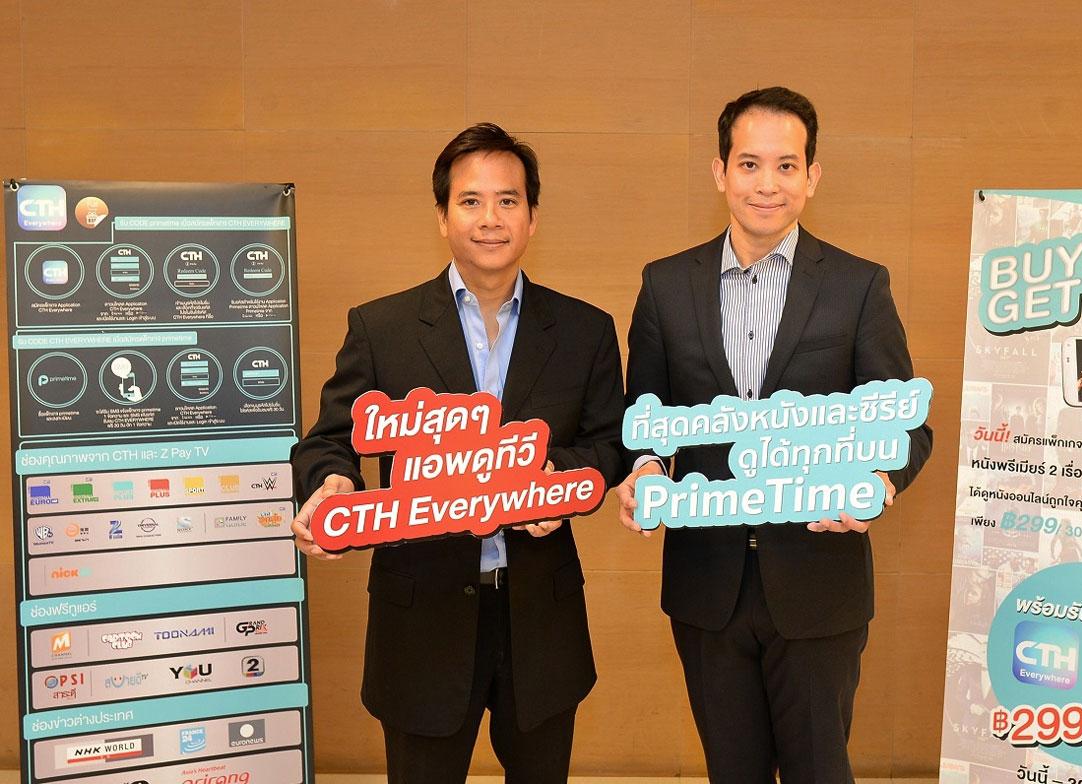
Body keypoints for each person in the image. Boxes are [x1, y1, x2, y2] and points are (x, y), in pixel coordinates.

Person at [290, 124, 625, 784]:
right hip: (421, 619)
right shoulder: (383, 328)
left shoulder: (585, 329)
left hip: (540, 618)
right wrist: (333, 484)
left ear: (532, 216)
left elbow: (611, 442)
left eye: (508, 200)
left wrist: (558, 480)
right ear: (442, 216)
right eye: (471, 201)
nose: (490, 218)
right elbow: (329, 440)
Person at [616, 86, 932, 783]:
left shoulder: (858, 286)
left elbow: (907, 427)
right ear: (719, 172)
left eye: (786, 166)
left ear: (812, 177)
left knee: (820, 770)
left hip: (819, 584)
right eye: (750, 164)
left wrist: (879, 480)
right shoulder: (666, 286)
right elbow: (646, 416)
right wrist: (646, 468)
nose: (767, 184)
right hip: (706, 586)